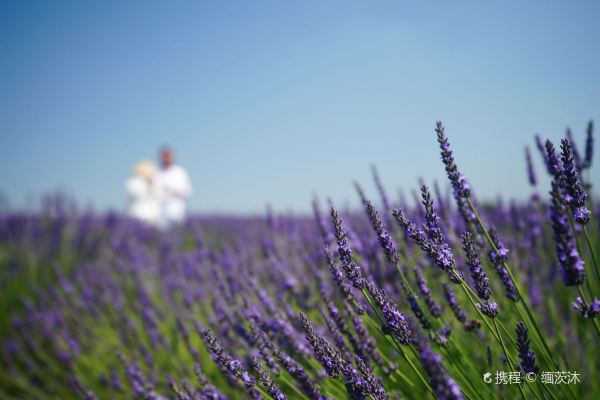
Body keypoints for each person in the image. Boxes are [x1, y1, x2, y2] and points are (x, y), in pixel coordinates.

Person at [156, 146, 192, 226]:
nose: (166, 158)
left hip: (177, 210)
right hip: (160, 212)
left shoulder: (180, 172)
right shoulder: (157, 173)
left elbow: (188, 192)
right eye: (164, 156)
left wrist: (171, 191)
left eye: (168, 156)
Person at [125, 160, 162, 226]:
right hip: (138, 215)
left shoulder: (156, 182)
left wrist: (151, 184)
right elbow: (136, 194)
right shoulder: (134, 182)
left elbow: (160, 196)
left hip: (154, 216)